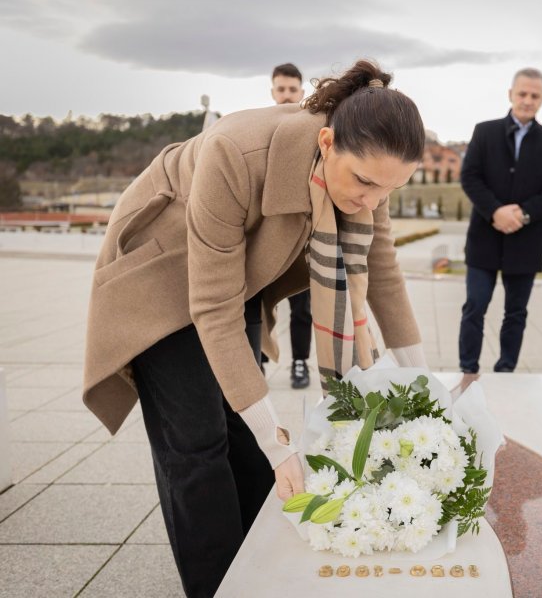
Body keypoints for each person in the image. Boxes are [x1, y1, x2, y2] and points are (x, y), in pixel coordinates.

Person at [82, 60, 428, 598]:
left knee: (243, 428)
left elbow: (381, 270)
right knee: (196, 443)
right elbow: (213, 308)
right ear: (327, 141)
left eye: (387, 192)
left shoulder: (371, 171)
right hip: (162, 266)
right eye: (363, 185)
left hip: (234, 271)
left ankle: (260, 568)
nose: (371, 203)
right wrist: (279, 441)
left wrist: (423, 388)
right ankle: (219, 586)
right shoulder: (234, 153)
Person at [458, 68, 542, 374]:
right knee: (474, 307)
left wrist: (524, 213)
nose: (527, 100)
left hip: (525, 241)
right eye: (522, 94)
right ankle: (468, 370)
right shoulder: (484, 131)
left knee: (516, 312)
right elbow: (470, 177)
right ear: (511, 94)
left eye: (534, 96)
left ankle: (506, 371)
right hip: (484, 238)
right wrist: (496, 211)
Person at [269, 62, 313, 389]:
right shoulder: (259, 129)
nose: (286, 96)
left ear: (302, 92)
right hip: (266, 237)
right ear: (273, 92)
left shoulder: (312, 132)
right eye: (281, 89)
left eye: (292, 90)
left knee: (302, 308)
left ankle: (300, 362)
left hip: (301, 236)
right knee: (256, 304)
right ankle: (257, 360)